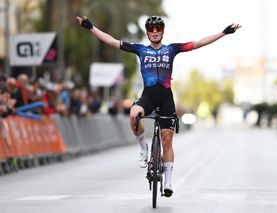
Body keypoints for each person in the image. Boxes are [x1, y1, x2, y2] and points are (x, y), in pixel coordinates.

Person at [76, 15, 241, 197]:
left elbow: (199, 43)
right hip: (148, 96)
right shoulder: (140, 50)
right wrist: (90, 26)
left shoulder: (172, 49)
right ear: (147, 33)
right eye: (151, 29)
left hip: (166, 98)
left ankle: (169, 182)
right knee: (134, 115)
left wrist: (225, 32)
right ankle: (143, 148)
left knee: (167, 140)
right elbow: (113, 41)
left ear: (162, 31)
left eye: (158, 29)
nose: (155, 32)